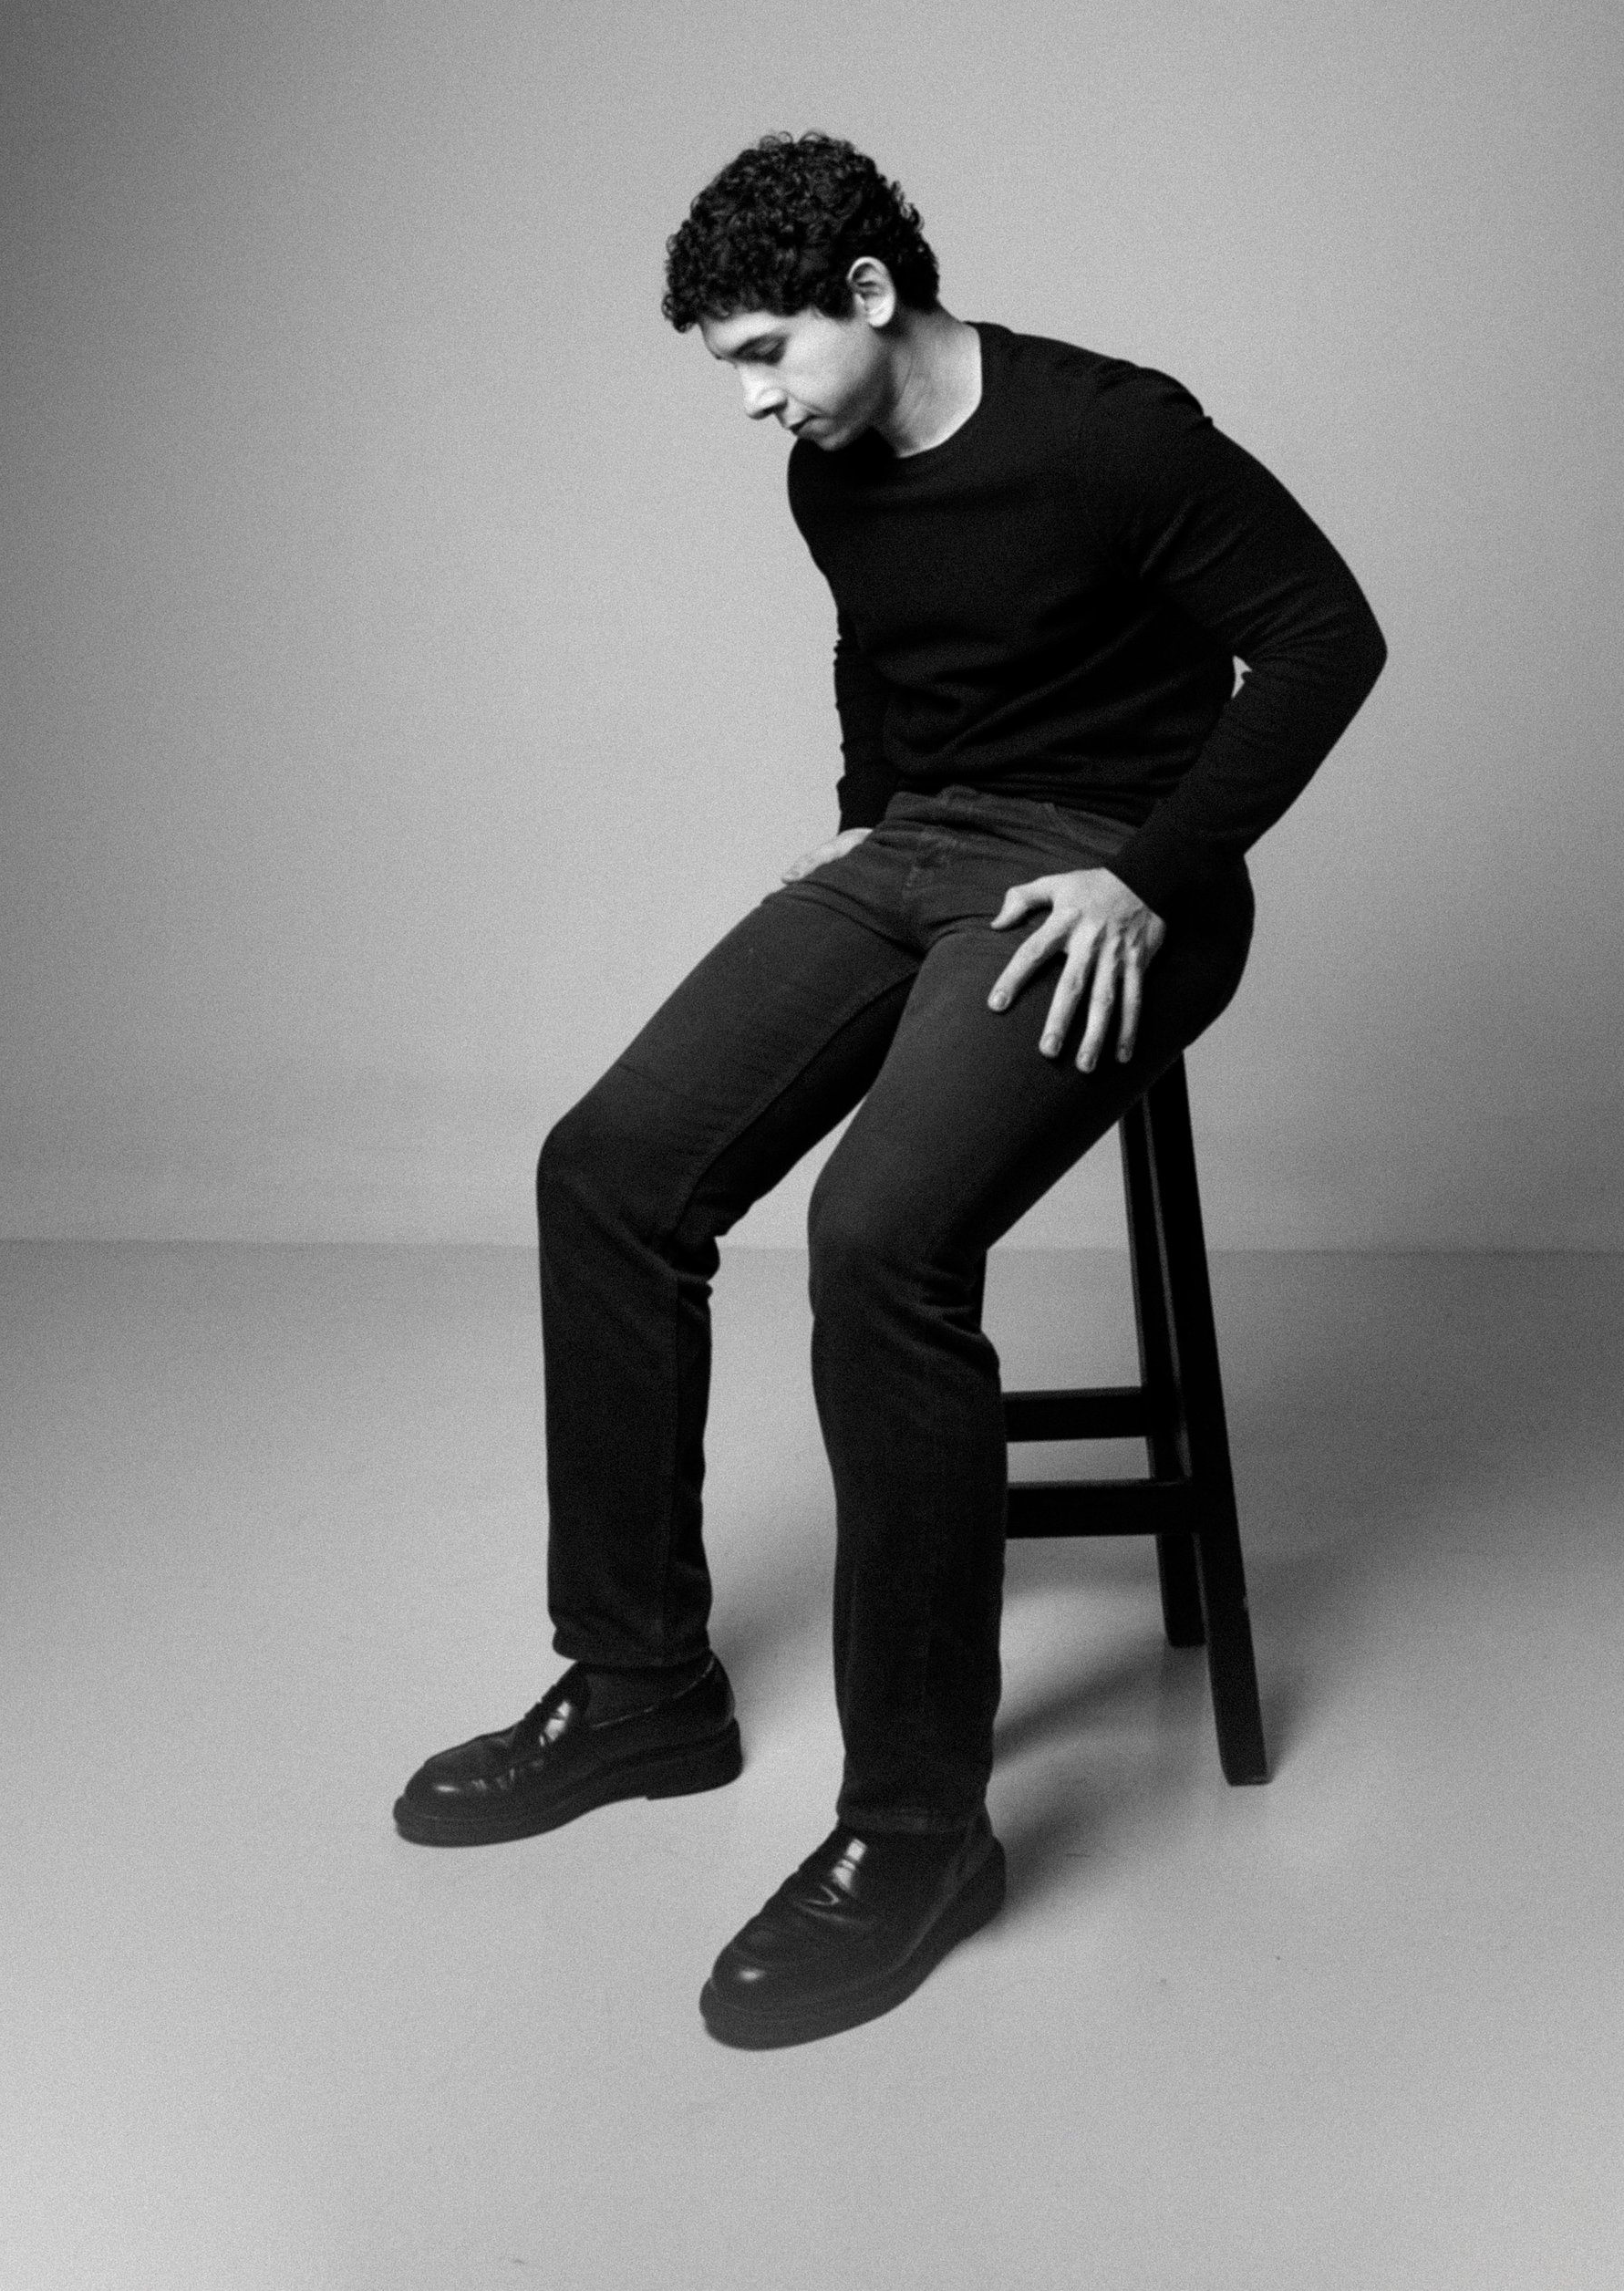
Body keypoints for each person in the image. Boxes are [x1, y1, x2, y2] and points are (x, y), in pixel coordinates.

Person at [394, 130, 1386, 2047]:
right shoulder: (826, 481)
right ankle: (636, 1690)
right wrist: (859, 850)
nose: (754, 402)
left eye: (766, 352)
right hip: (926, 854)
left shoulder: (1114, 436)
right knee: (604, 1169)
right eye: (725, 371)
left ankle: (920, 1829)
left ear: (870, 291)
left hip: (1121, 878)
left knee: (880, 1237)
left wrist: (1145, 873)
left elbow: (1326, 641)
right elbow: (886, 667)